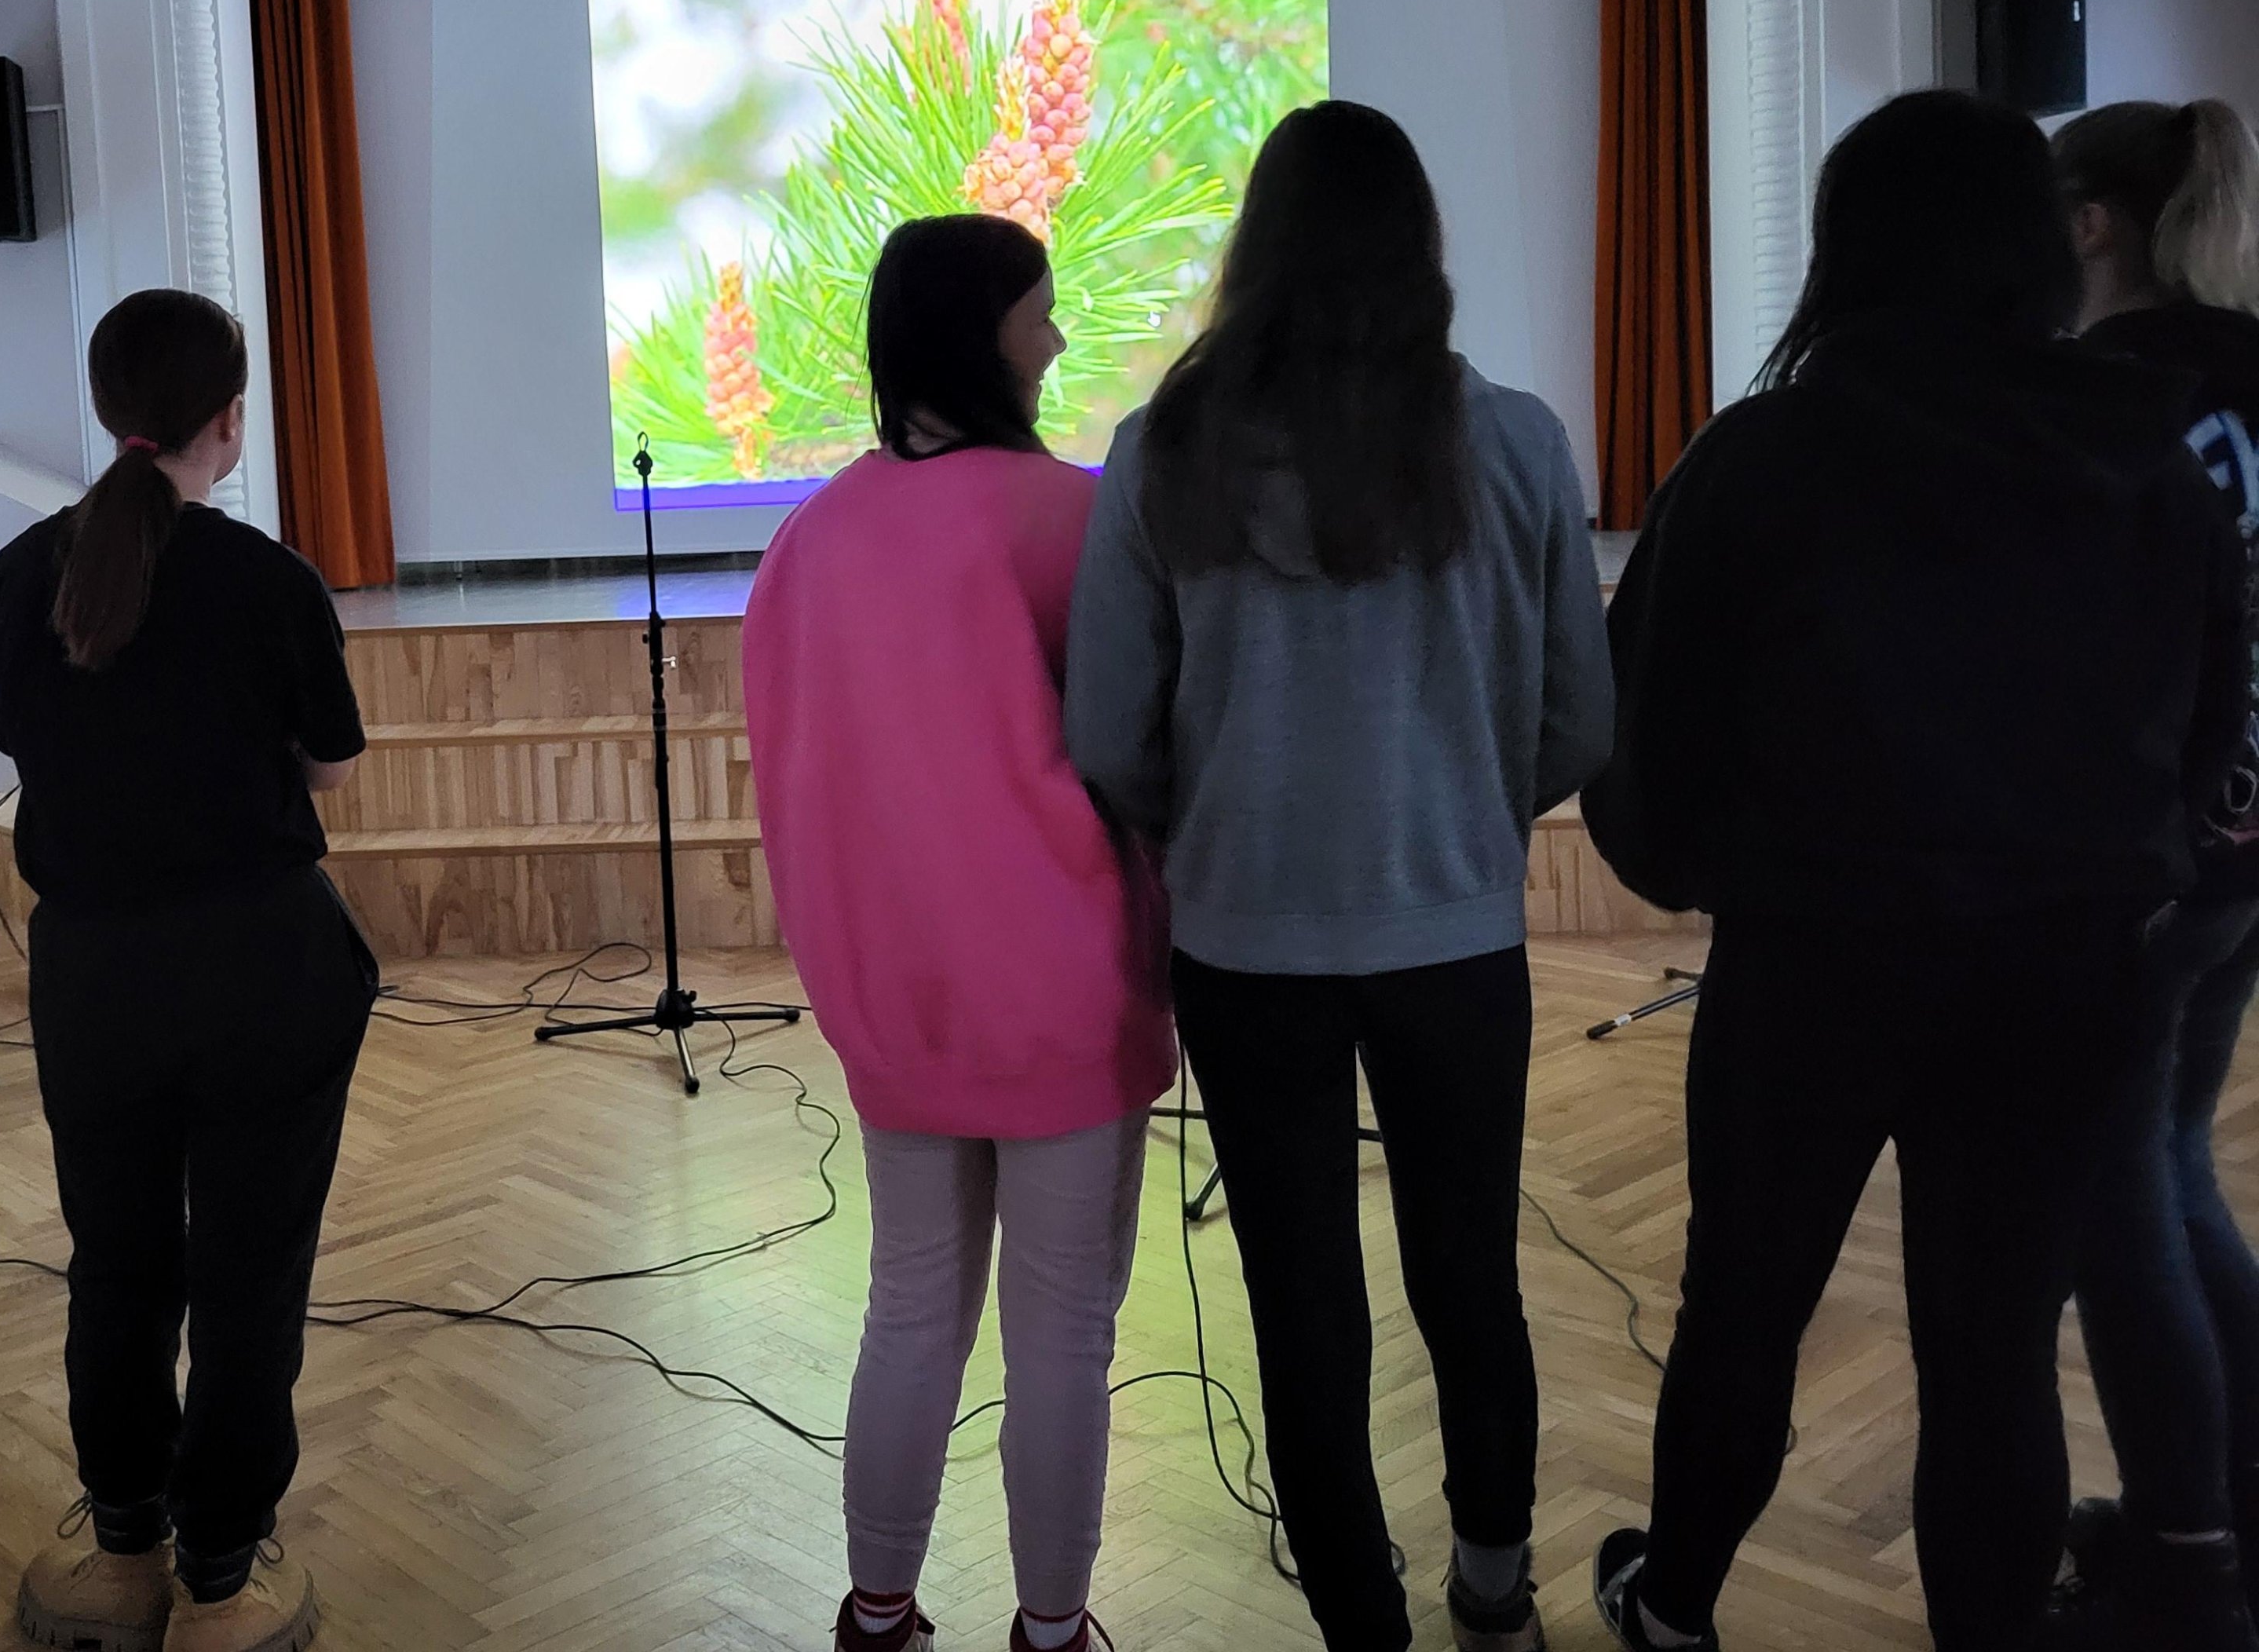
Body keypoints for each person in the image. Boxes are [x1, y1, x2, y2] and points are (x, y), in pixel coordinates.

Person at [1580, 90, 2246, 1652]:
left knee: (1742, 1318)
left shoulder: (1762, 458)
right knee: (1993, 1353)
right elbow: (2207, 744)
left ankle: (1671, 1610)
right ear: (2039, 247)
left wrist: (1720, 869)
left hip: (1811, 971)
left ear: (1845, 246)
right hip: (2071, 983)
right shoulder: (2152, 467)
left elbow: (1640, 755)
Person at [1066, 101, 1611, 1652]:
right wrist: (1464, 812)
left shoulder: (1161, 451)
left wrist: (1213, 822)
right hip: (1454, 937)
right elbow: (1581, 719)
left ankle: (1362, 1628)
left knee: (1301, 1304)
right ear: (1419, 248)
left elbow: (1108, 731)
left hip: (1242, 948)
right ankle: (1494, 1594)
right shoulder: (1515, 442)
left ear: (1257, 251)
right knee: (1469, 1276)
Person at [747, 215, 1175, 1652]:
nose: (1056, 338)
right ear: (983, 336)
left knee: (910, 1309)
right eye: (1039, 313)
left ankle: (877, 1616)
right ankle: (1053, 1631)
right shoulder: (1073, 519)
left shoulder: (806, 542)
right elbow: (1143, 752)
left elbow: (793, 781)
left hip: (893, 1001)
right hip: (1068, 992)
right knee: (1063, 1333)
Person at [0, 288, 371, 1652]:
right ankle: (221, 1579)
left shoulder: (24, 572)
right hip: (260, 967)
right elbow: (329, 768)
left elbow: (7, 717)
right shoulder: (268, 580)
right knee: (250, 1272)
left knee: (118, 1263)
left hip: (94, 975)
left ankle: (124, 1549)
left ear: (108, 410)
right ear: (229, 420)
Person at [2044, 97, 2259, 1651]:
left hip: (2146, 857)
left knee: (2113, 1200)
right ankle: (2230, 1510)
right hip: (2248, 852)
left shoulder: (2100, 399)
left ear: (2091, 225)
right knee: (2171, 1162)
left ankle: (2184, 1568)